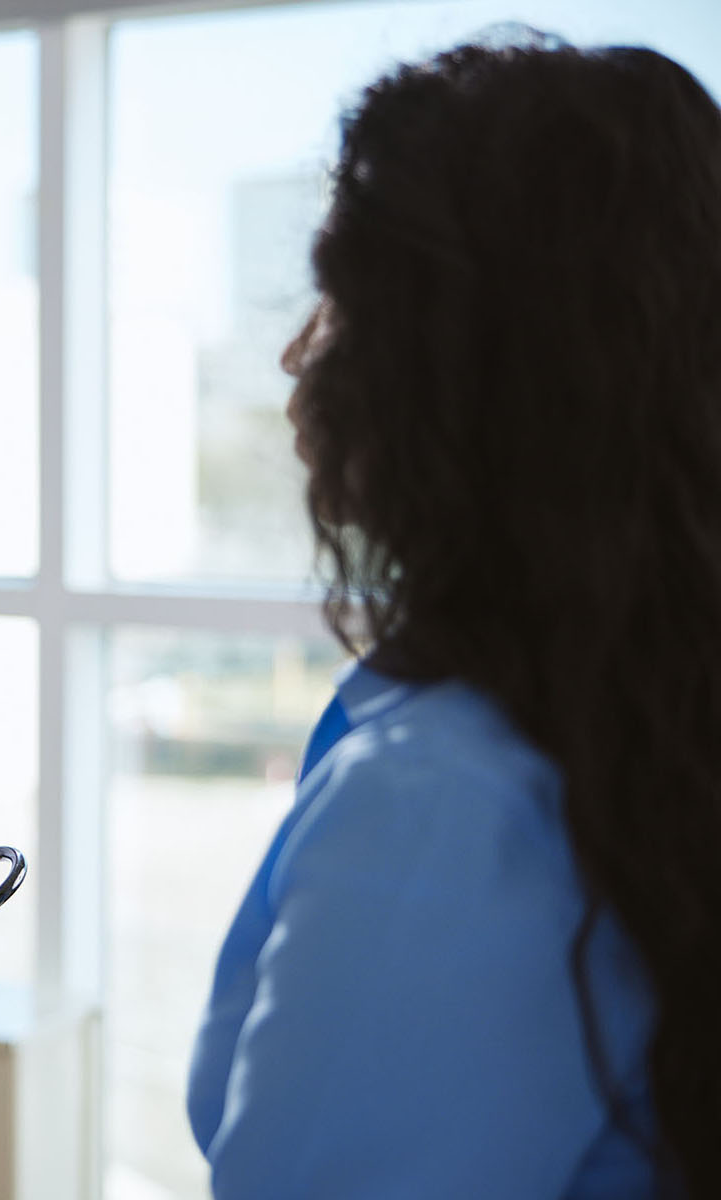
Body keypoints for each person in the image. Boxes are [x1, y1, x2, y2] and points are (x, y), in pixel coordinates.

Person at [187, 32, 721, 1199]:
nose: (293, 354)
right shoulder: (654, 703)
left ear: (461, 366)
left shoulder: (446, 799)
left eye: (333, 300)